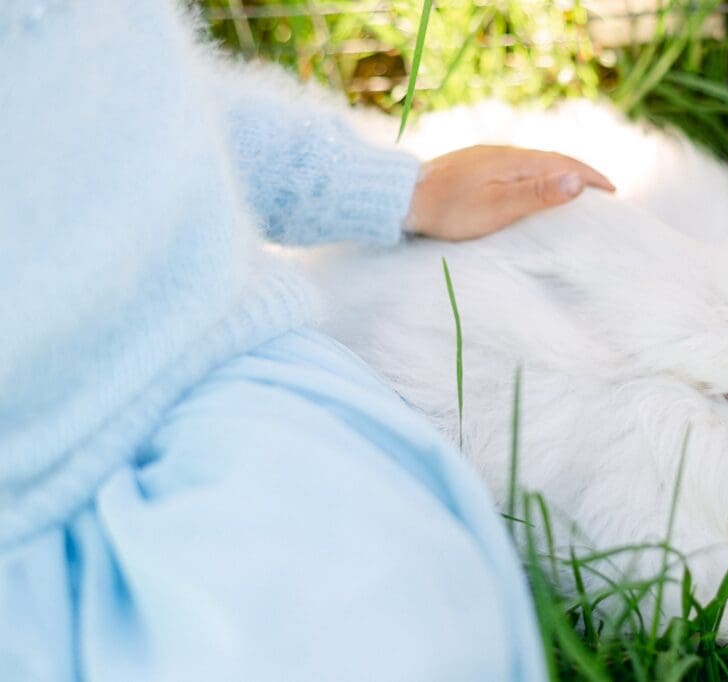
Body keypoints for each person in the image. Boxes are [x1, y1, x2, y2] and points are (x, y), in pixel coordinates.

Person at [0, 1, 613, 680]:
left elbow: (142, 90)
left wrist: (404, 190)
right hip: (22, 488)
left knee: (387, 617)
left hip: (201, 362)